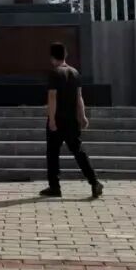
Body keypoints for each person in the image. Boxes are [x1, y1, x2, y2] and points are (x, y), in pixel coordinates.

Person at [41, 42, 103, 199]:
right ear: (65, 55)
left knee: (52, 152)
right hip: (72, 120)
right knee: (78, 151)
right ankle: (94, 181)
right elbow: (79, 97)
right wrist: (82, 116)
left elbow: (52, 97)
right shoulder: (75, 72)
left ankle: (54, 186)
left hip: (58, 119)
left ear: (52, 57)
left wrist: (52, 119)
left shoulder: (54, 73)